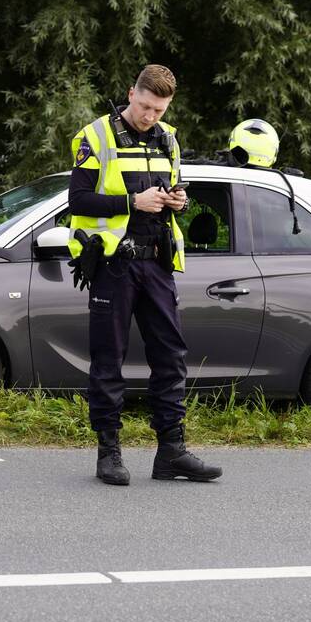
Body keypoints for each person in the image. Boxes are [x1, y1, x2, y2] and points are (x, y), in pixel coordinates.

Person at [67, 64, 222, 486]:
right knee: (108, 359)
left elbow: (174, 189)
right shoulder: (94, 136)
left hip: (157, 262)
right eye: (146, 106)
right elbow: (77, 199)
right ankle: (109, 454)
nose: (151, 115)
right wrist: (131, 202)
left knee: (170, 357)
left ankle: (171, 452)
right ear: (130, 93)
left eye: (160, 109)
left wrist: (179, 201)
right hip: (114, 265)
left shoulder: (168, 138)